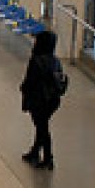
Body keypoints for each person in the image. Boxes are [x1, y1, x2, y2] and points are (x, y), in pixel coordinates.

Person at [19, 29, 64, 170]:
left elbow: (29, 81)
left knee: (42, 128)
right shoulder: (55, 61)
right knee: (42, 126)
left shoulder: (36, 60)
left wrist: (23, 89)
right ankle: (35, 151)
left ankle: (48, 158)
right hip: (52, 100)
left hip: (39, 100)